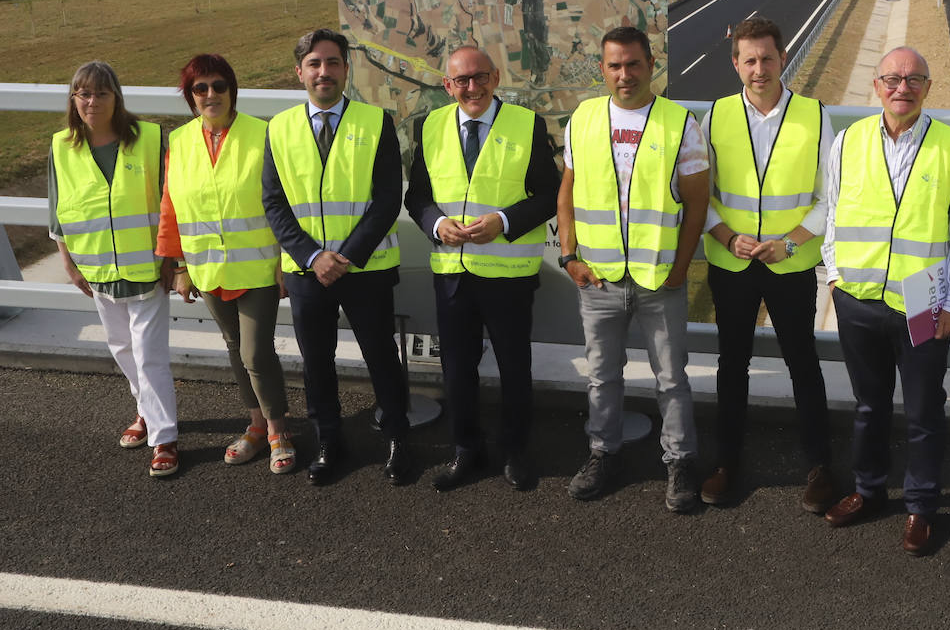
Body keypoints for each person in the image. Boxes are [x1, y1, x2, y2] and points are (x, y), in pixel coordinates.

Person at [822, 46, 950, 556]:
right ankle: (868, 490)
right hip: (859, 300)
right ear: (876, 86)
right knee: (868, 406)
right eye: (892, 78)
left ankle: (921, 507)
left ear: (928, 88)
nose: (902, 87)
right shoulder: (847, 142)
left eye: (914, 79)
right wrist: (834, 277)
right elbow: (832, 212)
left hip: (923, 303)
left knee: (922, 411)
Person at [557, 26, 709, 513]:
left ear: (651, 66)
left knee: (672, 379)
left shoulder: (679, 122)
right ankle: (604, 453)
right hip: (598, 277)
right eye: (615, 66)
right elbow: (568, 193)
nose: (625, 75)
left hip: (660, 277)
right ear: (602, 69)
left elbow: (697, 202)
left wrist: (681, 269)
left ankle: (680, 462)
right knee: (602, 377)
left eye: (634, 64)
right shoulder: (582, 118)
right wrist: (569, 257)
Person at [405, 46, 559, 492]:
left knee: (514, 366)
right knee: (456, 368)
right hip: (452, 272)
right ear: (448, 85)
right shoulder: (429, 125)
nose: (471, 88)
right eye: (460, 81)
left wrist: (504, 222)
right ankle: (466, 449)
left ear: (495, 77)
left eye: (479, 77)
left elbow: (548, 195)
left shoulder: (526, 124)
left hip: (509, 276)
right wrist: (436, 223)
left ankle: (515, 450)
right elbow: (417, 196)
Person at [698, 17, 836, 512]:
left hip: (790, 264)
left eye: (768, 58)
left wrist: (791, 245)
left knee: (803, 361)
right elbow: (701, 195)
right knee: (731, 364)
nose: (760, 69)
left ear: (783, 59)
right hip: (732, 263)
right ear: (736, 64)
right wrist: (726, 235)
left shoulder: (815, 116)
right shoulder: (713, 117)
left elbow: (828, 199)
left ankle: (819, 466)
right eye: (749, 60)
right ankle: (726, 462)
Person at [261, 28, 410, 486]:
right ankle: (330, 442)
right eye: (314, 64)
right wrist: (312, 256)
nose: (323, 72)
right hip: (308, 273)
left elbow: (387, 199)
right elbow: (274, 202)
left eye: (332, 63)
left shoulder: (375, 121)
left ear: (346, 68)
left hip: (366, 267)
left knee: (381, 358)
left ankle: (400, 441)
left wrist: (343, 256)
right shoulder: (280, 127)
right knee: (316, 363)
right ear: (299, 71)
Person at [156, 54, 294, 475]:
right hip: (208, 268)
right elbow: (171, 206)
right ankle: (255, 426)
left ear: (233, 90)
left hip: (259, 267)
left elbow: (285, 201)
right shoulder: (179, 141)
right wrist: (178, 265)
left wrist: (286, 258)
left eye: (219, 86)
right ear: (190, 96)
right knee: (235, 348)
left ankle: (278, 432)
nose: (211, 94)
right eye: (201, 88)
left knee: (255, 350)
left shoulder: (263, 134)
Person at [49, 61, 179, 477]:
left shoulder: (148, 139)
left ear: (116, 98)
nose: (92, 101)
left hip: (146, 268)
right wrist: (69, 264)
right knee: (122, 348)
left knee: (149, 354)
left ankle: (164, 438)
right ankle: (145, 411)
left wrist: (172, 260)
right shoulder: (61, 147)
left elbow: (170, 202)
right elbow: (57, 213)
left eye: (101, 93)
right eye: (83, 94)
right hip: (97, 269)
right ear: (74, 100)